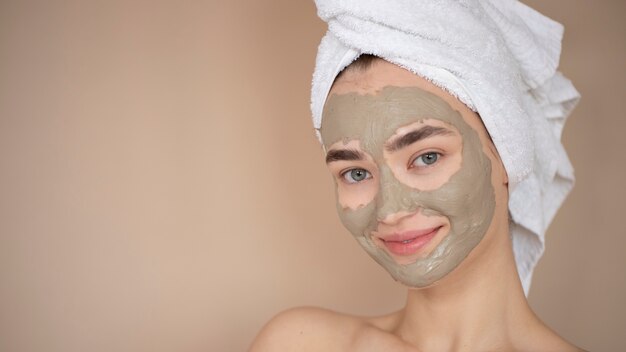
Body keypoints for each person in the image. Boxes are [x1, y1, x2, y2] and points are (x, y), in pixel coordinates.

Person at [252, 1, 584, 351]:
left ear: (505, 154)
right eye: (355, 172)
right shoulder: (299, 343)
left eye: (427, 157)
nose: (390, 211)